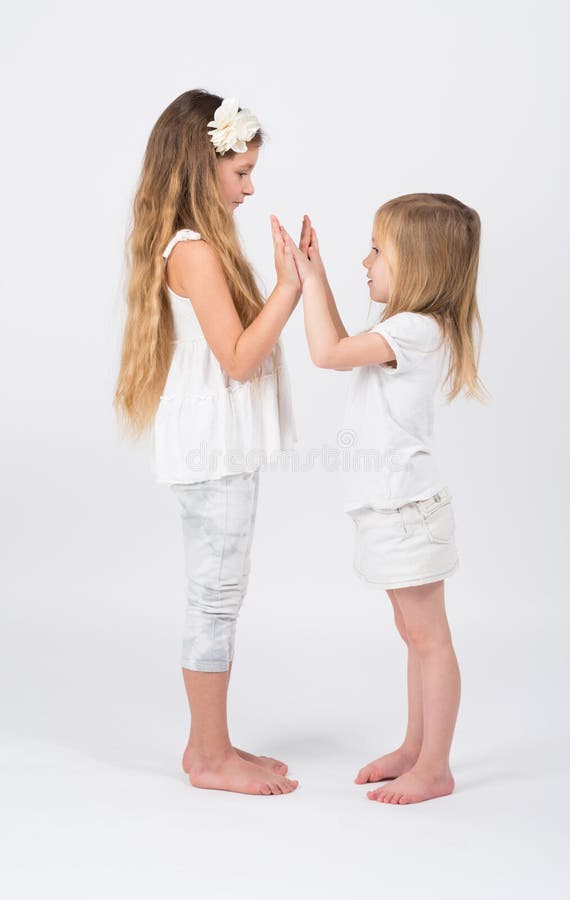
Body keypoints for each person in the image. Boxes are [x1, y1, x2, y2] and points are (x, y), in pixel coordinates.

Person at [114, 90, 300, 796]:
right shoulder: (193, 253)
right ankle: (213, 760)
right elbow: (238, 359)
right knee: (216, 596)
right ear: (202, 171)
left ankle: (206, 747)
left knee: (219, 590)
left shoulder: (196, 246)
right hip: (213, 448)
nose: (250, 189)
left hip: (215, 443)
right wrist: (289, 287)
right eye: (241, 174)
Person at [274, 195, 488, 804]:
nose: (363, 260)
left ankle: (435, 767)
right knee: (412, 634)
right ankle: (416, 749)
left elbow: (327, 353)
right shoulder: (405, 329)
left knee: (429, 639)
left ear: (417, 263)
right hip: (393, 512)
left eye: (376, 249)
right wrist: (315, 279)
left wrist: (310, 279)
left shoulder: (414, 329)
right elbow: (341, 343)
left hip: (407, 514)